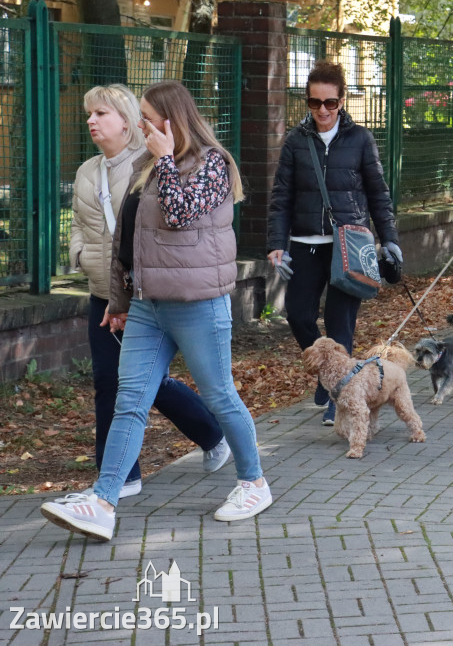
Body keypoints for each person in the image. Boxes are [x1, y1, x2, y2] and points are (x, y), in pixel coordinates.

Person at [40, 81, 271, 541]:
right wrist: (120, 302)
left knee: (220, 394)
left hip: (197, 303)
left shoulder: (211, 164)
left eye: (146, 117)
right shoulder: (146, 164)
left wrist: (165, 158)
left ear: (171, 120)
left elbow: (180, 212)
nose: (141, 126)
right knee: (129, 400)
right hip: (147, 305)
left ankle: (254, 482)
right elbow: (129, 239)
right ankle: (104, 502)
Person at [68, 84, 229, 501]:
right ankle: (121, 478)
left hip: (146, 294)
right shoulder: (87, 172)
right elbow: (78, 224)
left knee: (144, 384)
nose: (91, 121)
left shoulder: (149, 165)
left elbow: (166, 225)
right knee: (112, 382)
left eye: (100, 113)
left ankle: (213, 435)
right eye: (90, 114)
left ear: (125, 120)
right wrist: (80, 255)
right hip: (103, 293)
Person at [267, 61, 402, 427]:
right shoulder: (297, 140)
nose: (322, 111)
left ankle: (338, 398)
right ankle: (326, 373)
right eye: (314, 103)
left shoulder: (360, 139)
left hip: (349, 245)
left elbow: (378, 193)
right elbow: (282, 196)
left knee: (341, 324)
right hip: (305, 242)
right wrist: (277, 243)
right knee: (298, 315)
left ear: (342, 101)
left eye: (330, 103)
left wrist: (389, 239)